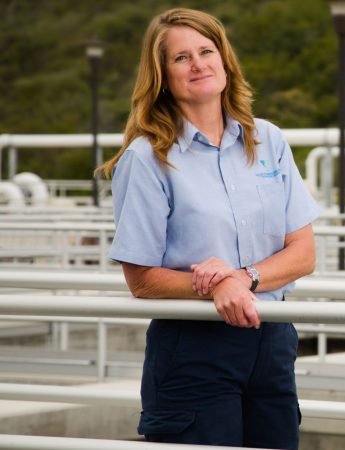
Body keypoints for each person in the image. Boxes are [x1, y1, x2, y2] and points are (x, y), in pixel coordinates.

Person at [96, 8, 320, 449]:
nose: (198, 64)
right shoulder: (147, 159)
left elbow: (303, 253)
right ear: (161, 76)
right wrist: (212, 288)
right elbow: (140, 281)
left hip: (272, 340)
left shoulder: (268, 140)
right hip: (193, 347)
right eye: (181, 58)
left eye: (206, 50)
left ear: (224, 60)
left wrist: (240, 279)